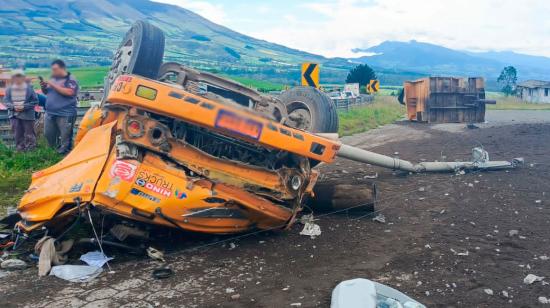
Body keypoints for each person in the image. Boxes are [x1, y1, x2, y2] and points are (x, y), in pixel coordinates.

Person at [40, 59, 79, 154]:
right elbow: (47, 92)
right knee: (49, 135)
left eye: (55, 69)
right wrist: (43, 87)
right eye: (52, 69)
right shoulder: (53, 79)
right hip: (50, 113)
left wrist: (52, 84)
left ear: (62, 68)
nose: (53, 71)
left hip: (65, 114)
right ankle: (53, 155)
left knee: (65, 138)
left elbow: (69, 92)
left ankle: (65, 157)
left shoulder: (71, 79)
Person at [3, 70, 38, 152]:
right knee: (17, 135)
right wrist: (13, 107)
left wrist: (24, 107)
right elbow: (5, 101)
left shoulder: (29, 89)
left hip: (28, 116)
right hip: (14, 115)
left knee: (30, 135)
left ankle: (31, 152)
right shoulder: (9, 89)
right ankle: (20, 151)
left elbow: (35, 101)